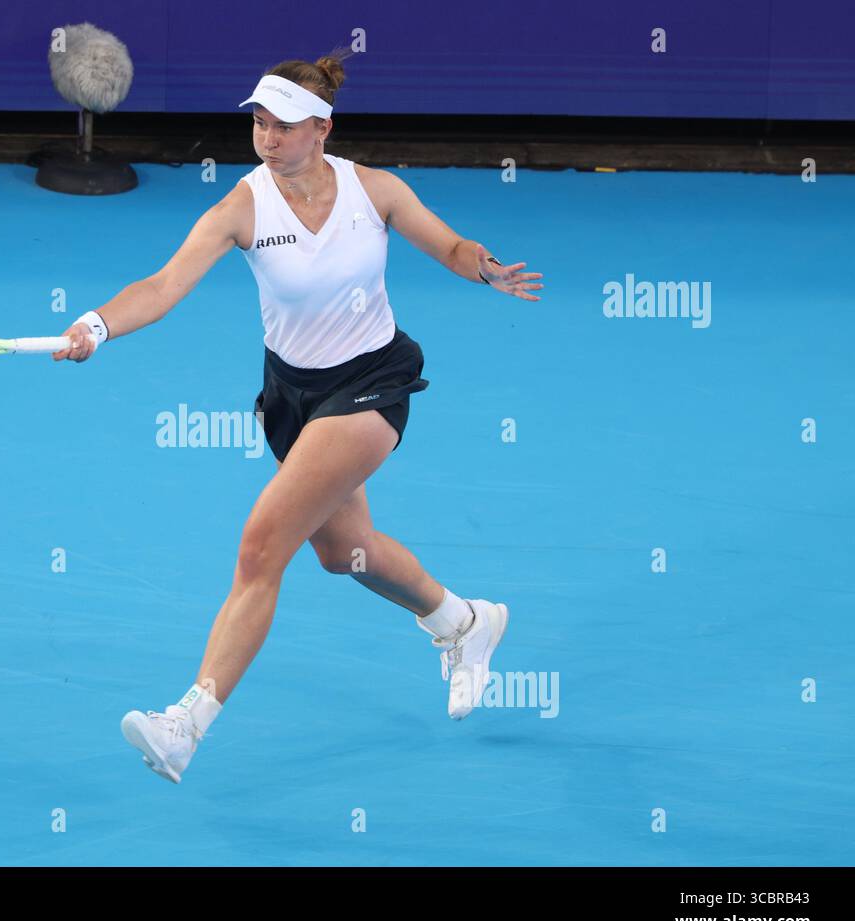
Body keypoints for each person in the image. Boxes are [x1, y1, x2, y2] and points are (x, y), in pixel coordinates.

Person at [56, 49, 543, 784]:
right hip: (292, 398)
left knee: (261, 546)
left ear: (322, 128)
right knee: (346, 551)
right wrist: (96, 324)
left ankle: (186, 724)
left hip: (373, 383)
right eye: (258, 121)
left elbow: (446, 244)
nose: (267, 136)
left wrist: (484, 266)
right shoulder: (241, 207)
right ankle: (464, 622)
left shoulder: (373, 191)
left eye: (283, 124)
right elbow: (162, 286)